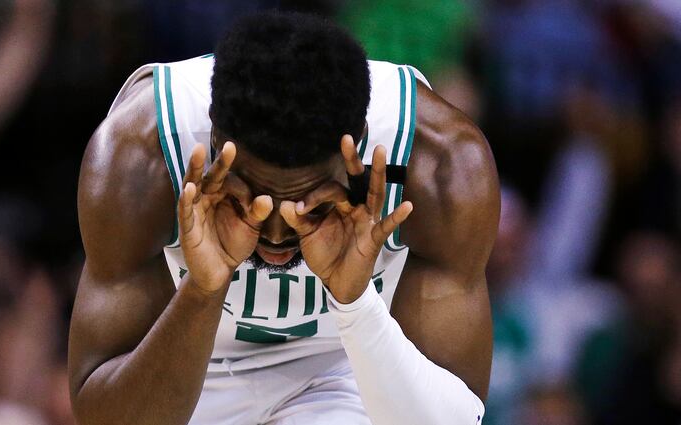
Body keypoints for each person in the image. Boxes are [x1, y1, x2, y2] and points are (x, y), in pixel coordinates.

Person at [69, 11, 499, 425]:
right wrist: (201, 290)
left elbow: (455, 419)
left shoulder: (438, 165)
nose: (276, 236)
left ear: (357, 146)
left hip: (356, 370)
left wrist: (356, 304)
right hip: (184, 371)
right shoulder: (142, 156)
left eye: (311, 204)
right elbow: (104, 417)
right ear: (215, 137)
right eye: (252, 199)